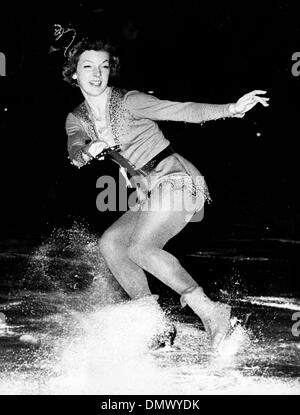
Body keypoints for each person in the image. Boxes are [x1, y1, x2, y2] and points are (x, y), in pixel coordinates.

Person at [63, 38, 269, 351]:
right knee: (112, 244)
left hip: (178, 179)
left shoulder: (128, 101)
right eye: (88, 66)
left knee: (142, 247)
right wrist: (88, 149)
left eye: (103, 66)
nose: (97, 73)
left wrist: (231, 109)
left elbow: (181, 110)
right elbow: (75, 149)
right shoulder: (77, 117)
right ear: (73, 73)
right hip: (149, 192)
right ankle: (154, 324)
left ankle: (213, 314)